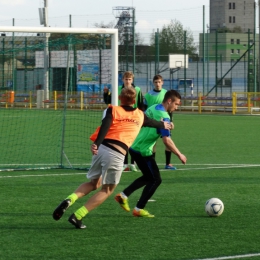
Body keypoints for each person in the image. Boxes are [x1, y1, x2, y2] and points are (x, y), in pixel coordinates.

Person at [52, 86, 172, 229]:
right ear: (134, 101)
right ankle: (77, 216)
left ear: (120, 98)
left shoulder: (112, 109)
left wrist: (96, 144)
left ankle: (69, 200)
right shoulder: (139, 114)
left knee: (93, 183)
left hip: (102, 148)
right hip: (116, 153)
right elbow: (152, 122)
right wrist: (164, 124)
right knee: (107, 190)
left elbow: (105, 126)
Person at [115, 89, 187, 218]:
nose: (176, 107)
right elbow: (167, 140)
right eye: (176, 104)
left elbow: (149, 121)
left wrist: (170, 124)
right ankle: (138, 208)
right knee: (156, 179)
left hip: (134, 146)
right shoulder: (164, 116)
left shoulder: (154, 107)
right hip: (144, 151)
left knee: (148, 177)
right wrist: (179, 154)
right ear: (169, 101)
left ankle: (123, 195)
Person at [144, 74, 177, 170]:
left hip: (165, 121)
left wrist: (171, 121)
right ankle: (152, 164)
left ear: (162, 82)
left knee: (167, 140)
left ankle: (168, 163)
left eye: (159, 82)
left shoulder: (166, 93)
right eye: (155, 82)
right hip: (153, 122)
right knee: (153, 143)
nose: (157, 84)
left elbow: (169, 108)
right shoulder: (148, 95)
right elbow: (145, 109)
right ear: (153, 83)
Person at [118, 71, 145, 172]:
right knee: (123, 142)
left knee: (133, 142)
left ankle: (133, 163)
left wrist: (141, 117)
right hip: (121, 118)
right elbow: (110, 100)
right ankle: (124, 164)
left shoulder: (137, 90)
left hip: (134, 119)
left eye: (129, 79)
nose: (127, 81)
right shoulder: (118, 89)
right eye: (126, 79)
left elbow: (140, 104)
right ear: (123, 80)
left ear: (132, 80)